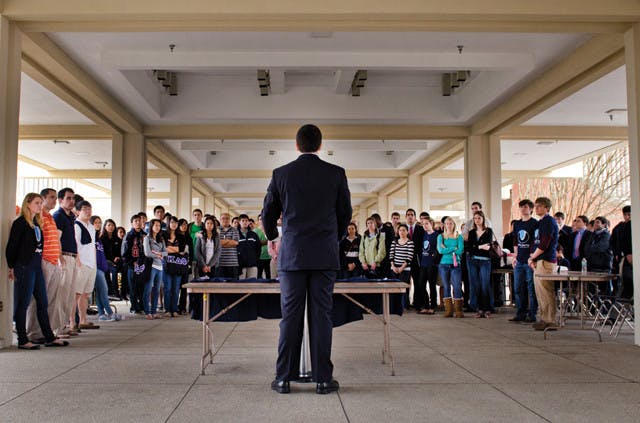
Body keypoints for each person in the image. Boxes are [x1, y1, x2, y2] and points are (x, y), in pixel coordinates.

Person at [263, 124, 351, 395]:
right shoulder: (336, 174)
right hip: (324, 255)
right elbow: (345, 214)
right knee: (322, 316)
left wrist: (273, 238)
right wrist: (331, 241)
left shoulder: (281, 174)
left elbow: (267, 214)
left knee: (289, 316)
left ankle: (283, 378)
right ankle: (323, 379)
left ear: (297, 145)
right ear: (320, 145)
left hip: (292, 256)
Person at [7, 193, 70, 349]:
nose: (40, 206)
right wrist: (11, 266)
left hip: (36, 266)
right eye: (37, 203)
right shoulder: (20, 223)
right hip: (24, 266)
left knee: (43, 301)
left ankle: (49, 337)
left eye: (41, 203)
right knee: (24, 303)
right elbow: (11, 247)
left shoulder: (37, 222)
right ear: (27, 203)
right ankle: (23, 339)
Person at [26, 188, 65, 342]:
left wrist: (59, 258)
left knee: (50, 299)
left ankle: (45, 331)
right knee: (38, 299)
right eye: (51, 197)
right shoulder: (38, 216)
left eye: (55, 198)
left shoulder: (50, 217)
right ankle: (33, 333)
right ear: (42, 199)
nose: (54, 200)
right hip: (44, 261)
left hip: (54, 261)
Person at [529, 197, 559, 331]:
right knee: (540, 292)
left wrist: (533, 257)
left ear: (547, 207)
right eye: (535, 206)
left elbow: (545, 243)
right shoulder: (540, 222)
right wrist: (533, 258)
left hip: (546, 260)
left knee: (546, 291)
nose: (536, 208)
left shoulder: (549, 221)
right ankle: (544, 318)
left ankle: (550, 320)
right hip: (538, 260)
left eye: (539, 206)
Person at [52, 187, 78, 336]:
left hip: (73, 256)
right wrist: (60, 257)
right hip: (64, 257)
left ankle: (64, 325)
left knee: (69, 295)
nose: (72, 201)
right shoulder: (58, 216)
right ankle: (56, 328)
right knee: (61, 295)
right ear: (60, 200)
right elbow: (57, 238)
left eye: (73, 198)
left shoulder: (70, 217)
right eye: (68, 198)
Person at [510, 199, 538, 323]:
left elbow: (535, 241)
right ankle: (520, 313)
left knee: (531, 289)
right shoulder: (517, 224)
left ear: (531, 209)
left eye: (525, 207)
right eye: (521, 207)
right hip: (519, 260)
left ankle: (532, 314)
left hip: (530, 260)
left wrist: (532, 258)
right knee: (518, 288)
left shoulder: (535, 223)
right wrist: (515, 256)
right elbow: (516, 241)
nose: (523, 209)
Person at [73, 201, 100, 331]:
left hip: (91, 263)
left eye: (89, 209)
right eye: (84, 209)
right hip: (81, 263)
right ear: (78, 211)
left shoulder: (91, 227)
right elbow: (75, 245)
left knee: (85, 294)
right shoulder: (76, 226)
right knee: (76, 293)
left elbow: (93, 246)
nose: (88, 211)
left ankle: (83, 319)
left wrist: (94, 262)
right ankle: (72, 321)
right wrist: (78, 262)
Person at [467, 211, 495, 318]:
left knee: (485, 285)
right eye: (475, 218)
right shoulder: (472, 232)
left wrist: (476, 246)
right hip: (473, 261)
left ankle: (487, 309)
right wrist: (480, 247)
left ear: (483, 219)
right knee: (476, 285)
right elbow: (469, 248)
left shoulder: (489, 231)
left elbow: (488, 246)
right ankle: (479, 309)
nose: (477, 220)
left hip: (485, 261)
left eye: (479, 218)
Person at [437, 217, 464, 318]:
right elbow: (440, 250)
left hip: (456, 265)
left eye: (451, 223)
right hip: (443, 264)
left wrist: (447, 248)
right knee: (446, 286)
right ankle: (448, 310)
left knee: (457, 286)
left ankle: (458, 310)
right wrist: (453, 248)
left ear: (454, 224)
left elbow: (460, 251)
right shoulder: (441, 237)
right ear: (444, 225)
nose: (449, 225)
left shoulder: (459, 237)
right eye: (447, 223)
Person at [163, 216, 190, 316]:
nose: (174, 224)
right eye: (172, 222)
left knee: (175, 288)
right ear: (168, 223)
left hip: (178, 264)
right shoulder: (163, 235)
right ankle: (167, 309)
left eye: (176, 222)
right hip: (166, 264)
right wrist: (175, 249)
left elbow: (182, 249)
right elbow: (162, 249)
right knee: (167, 288)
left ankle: (174, 309)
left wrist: (169, 249)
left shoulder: (181, 236)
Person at [121, 214, 146, 314]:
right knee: (133, 287)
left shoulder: (145, 235)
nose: (138, 223)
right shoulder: (129, 236)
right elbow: (124, 253)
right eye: (135, 221)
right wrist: (132, 262)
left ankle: (142, 306)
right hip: (132, 265)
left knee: (142, 287)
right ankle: (134, 307)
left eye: (139, 221)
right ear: (132, 223)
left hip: (143, 265)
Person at [143, 219, 167, 319]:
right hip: (151, 266)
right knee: (148, 289)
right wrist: (159, 255)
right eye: (155, 225)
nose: (157, 227)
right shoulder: (147, 238)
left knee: (157, 290)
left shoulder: (161, 239)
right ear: (151, 226)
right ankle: (147, 311)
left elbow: (166, 253)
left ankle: (154, 311)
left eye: (159, 225)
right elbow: (147, 253)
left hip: (160, 267)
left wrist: (159, 254)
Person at [416, 217, 439, 315]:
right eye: (423, 224)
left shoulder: (437, 235)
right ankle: (426, 305)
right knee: (421, 284)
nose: (424, 226)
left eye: (426, 224)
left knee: (432, 285)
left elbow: (439, 249)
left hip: (432, 264)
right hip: (423, 264)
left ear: (431, 224)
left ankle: (433, 306)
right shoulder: (423, 234)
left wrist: (434, 257)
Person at [389, 224, 415, 308]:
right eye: (400, 230)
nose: (402, 232)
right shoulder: (394, 242)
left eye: (404, 230)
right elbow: (391, 255)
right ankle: (395, 306)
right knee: (394, 288)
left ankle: (405, 306)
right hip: (394, 268)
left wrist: (401, 268)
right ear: (398, 232)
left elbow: (409, 257)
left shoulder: (410, 243)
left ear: (407, 232)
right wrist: (393, 266)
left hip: (405, 269)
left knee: (403, 288)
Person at [237, 214, 261, 279]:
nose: (245, 222)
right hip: (240, 265)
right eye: (243, 220)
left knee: (253, 284)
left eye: (246, 220)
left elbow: (258, 248)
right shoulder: (235, 234)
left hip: (252, 264)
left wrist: (255, 259)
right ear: (239, 222)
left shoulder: (254, 234)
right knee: (241, 285)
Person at [217, 213, 240, 279]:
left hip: (232, 263)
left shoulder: (234, 230)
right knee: (221, 286)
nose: (225, 220)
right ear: (220, 220)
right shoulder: (216, 230)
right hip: (220, 263)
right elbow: (216, 243)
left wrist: (222, 242)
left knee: (234, 285)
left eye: (227, 218)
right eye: (223, 218)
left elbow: (235, 242)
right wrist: (229, 240)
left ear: (229, 220)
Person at [254, 214, 272, 279]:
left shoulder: (270, 229)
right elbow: (255, 244)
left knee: (269, 276)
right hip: (259, 257)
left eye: (263, 219)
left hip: (270, 256)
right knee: (259, 276)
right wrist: (268, 241)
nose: (262, 220)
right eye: (260, 219)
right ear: (258, 221)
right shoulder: (255, 231)